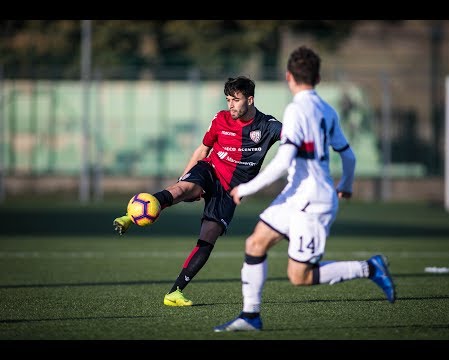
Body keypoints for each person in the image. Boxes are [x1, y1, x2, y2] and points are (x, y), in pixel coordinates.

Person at [213, 46, 396, 332]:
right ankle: (250, 316)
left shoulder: (296, 110)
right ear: (318, 78)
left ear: (288, 77)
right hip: (298, 194)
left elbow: (285, 159)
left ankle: (369, 268)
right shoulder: (327, 110)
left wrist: (248, 187)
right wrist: (345, 185)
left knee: (299, 276)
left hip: (313, 201)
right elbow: (348, 155)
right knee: (255, 243)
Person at [113, 76, 282, 307]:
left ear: (250, 100)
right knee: (183, 188)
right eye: (227, 99)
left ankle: (174, 293)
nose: (230, 105)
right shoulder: (221, 119)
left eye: (235, 99)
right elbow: (203, 149)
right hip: (210, 170)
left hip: (229, 191)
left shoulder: (268, 126)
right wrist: (183, 179)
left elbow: (296, 138)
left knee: (208, 237)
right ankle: (131, 215)